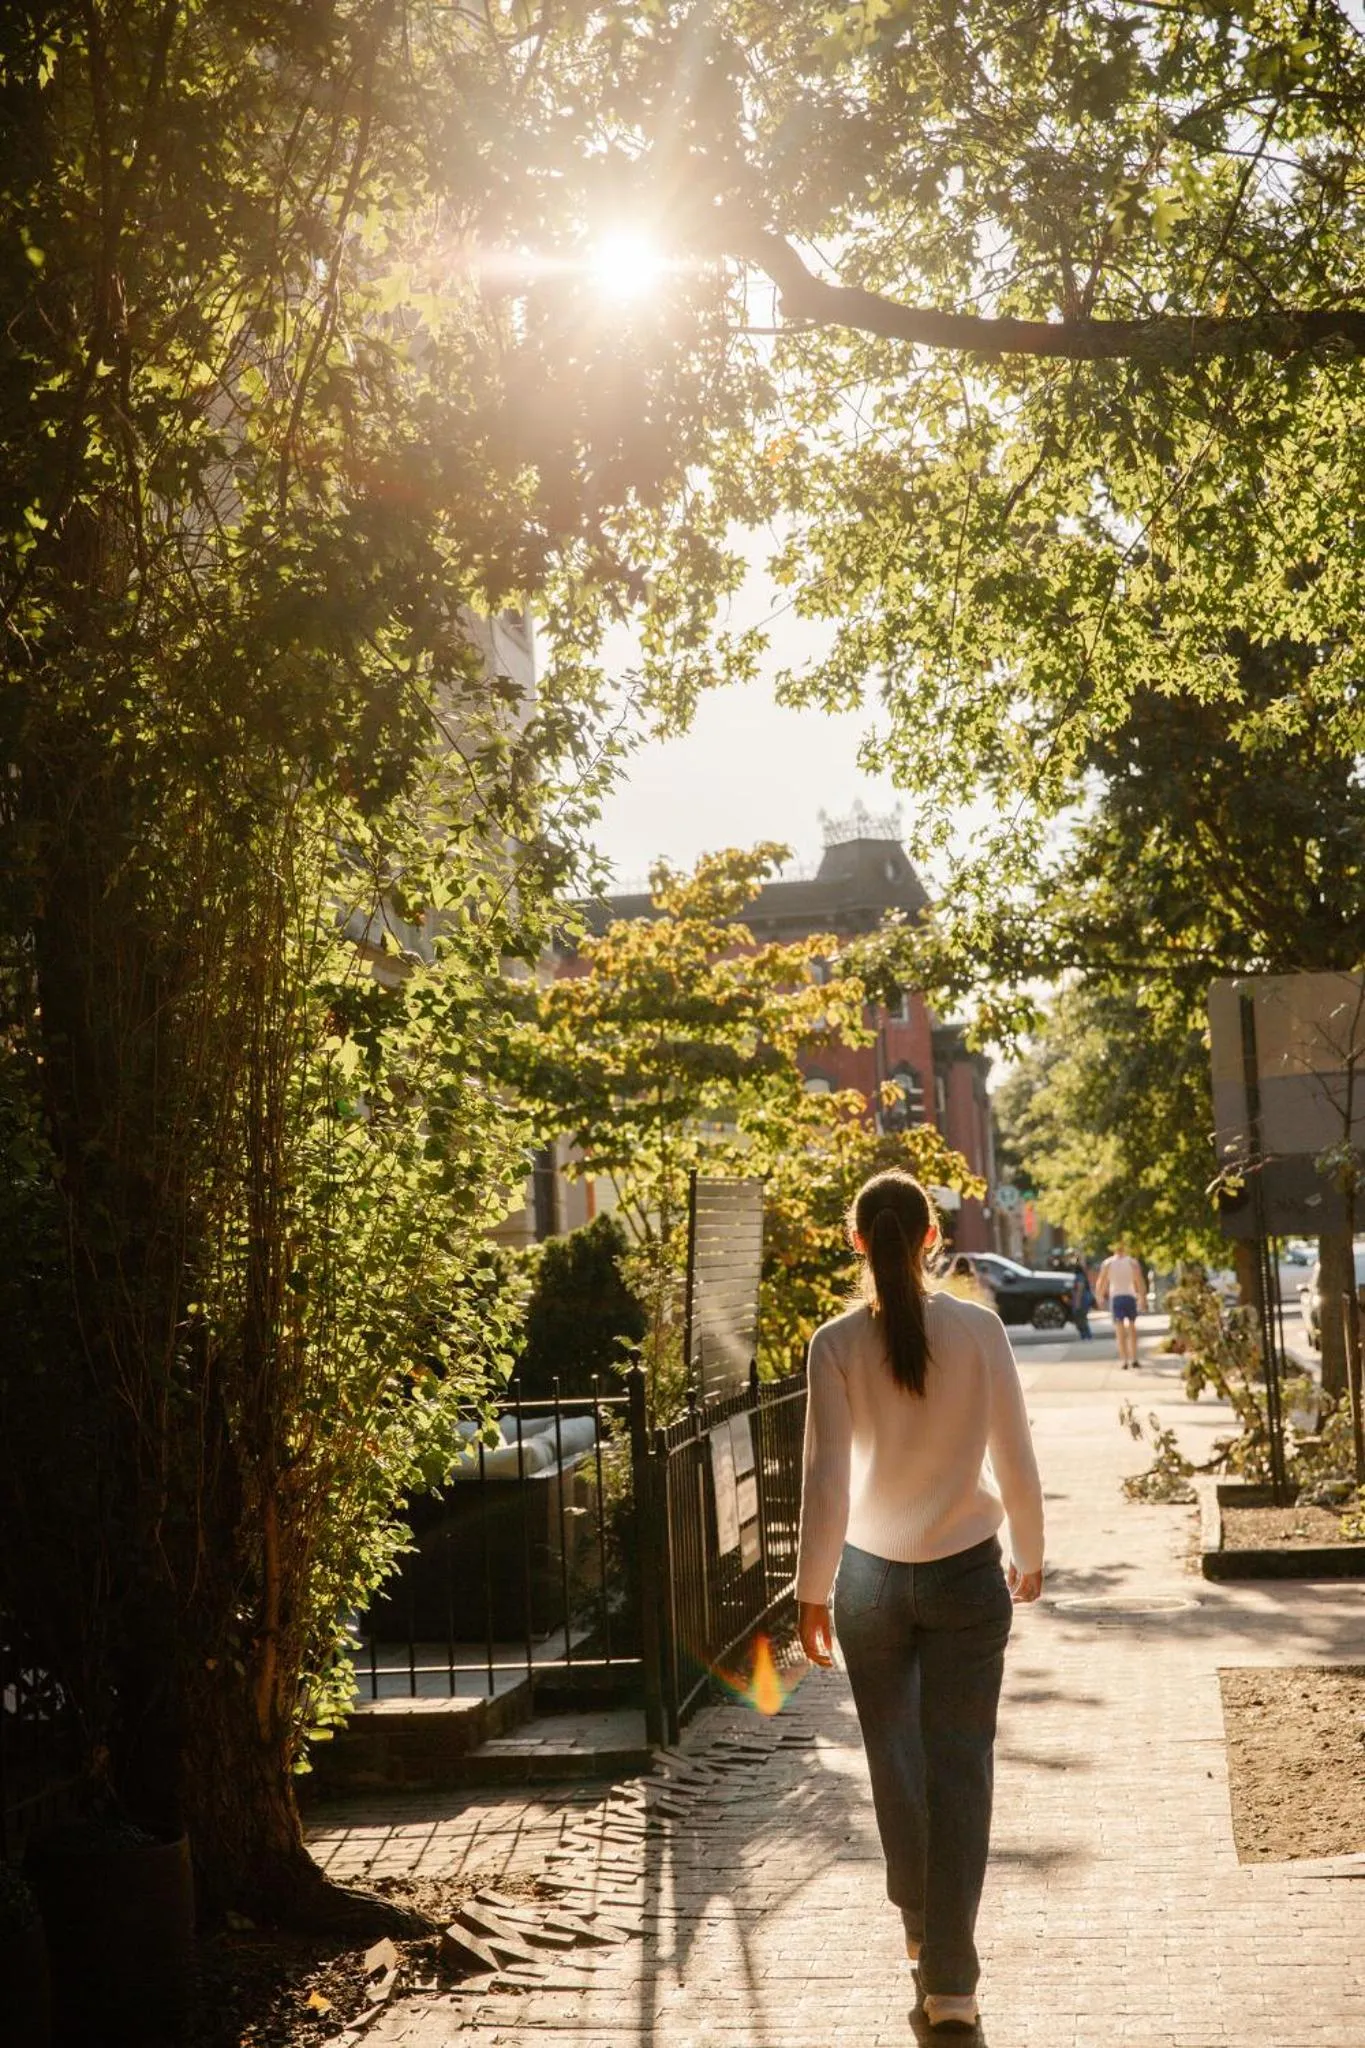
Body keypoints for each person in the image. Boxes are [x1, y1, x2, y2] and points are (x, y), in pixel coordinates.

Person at [795, 1170, 1045, 2036]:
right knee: (959, 1768)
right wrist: (1032, 1553)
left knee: (895, 1766)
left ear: (857, 1239)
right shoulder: (978, 1330)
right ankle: (952, 1982)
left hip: (867, 1579)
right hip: (967, 1577)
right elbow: (1013, 1453)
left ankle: (919, 1930)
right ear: (932, 1237)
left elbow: (828, 1478)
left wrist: (811, 1590)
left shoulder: (832, 1344)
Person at [1096, 1239, 1149, 1368]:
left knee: (1119, 1330)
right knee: (1132, 1328)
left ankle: (1124, 1360)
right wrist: (1142, 1299)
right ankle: (1134, 1358)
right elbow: (1139, 1282)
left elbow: (1101, 1282)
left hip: (1116, 1298)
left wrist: (1099, 1297)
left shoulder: (1108, 1263)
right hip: (1129, 1296)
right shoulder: (1132, 1263)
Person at [1070, 1257, 1095, 1340]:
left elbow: (1080, 1288)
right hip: (1083, 1300)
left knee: (1081, 1319)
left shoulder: (1080, 1276)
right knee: (1081, 1319)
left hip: (1082, 1300)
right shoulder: (1081, 1275)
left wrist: (1077, 1302)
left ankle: (1087, 1336)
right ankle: (1086, 1336)